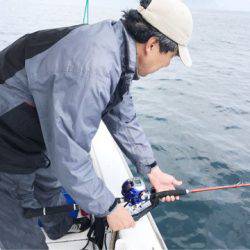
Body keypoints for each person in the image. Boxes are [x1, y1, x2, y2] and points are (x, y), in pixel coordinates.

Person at [0, 0, 193, 248]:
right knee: (18, 212)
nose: (167, 65)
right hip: (8, 133)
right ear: (152, 45)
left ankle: (58, 227)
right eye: (171, 57)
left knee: (49, 183)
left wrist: (152, 170)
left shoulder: (116, 46)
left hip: (35, 122)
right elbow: (68, 153)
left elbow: (123, 117)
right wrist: (108, 207)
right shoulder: (95, 66)